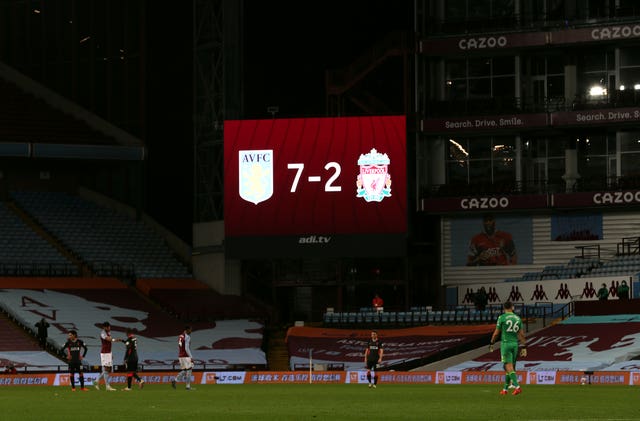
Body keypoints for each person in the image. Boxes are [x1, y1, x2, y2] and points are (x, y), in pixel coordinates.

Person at [489, 301, 526, 396]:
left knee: (507, 366)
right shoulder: (517, 318)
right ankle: (505, 389)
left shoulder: (502, 317)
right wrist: (524, 347)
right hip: (515, 344)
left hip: (506, 344)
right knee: (510, 367)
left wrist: (492, 342)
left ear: (504, 308)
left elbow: (496, 333)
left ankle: (517, 387)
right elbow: (521, 334)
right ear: (512, 307)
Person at [94, 322, 118, 391]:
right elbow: (108, 339)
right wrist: (114, 340)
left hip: (108, 352)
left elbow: (109, 343)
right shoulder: (103, 333)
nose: (109, 328)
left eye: (109, 327)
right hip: (104, 353)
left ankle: (96, 381)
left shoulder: (109, 332)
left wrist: (111, 354)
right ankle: (107, 386)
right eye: (107, 327)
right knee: (107, 369)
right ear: (104, 327)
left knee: (109, 369)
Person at [171, 326, 194, 391]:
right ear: (187, 330)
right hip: (185, 355)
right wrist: (191, 357)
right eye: (190, 330)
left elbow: (180, 345)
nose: (191, 331)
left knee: (185, 370)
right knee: (189, 370)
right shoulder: (187, 337)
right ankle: (188, 387)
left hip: (180, 355)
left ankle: (175, 381)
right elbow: (186, 348)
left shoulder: (180, 336)